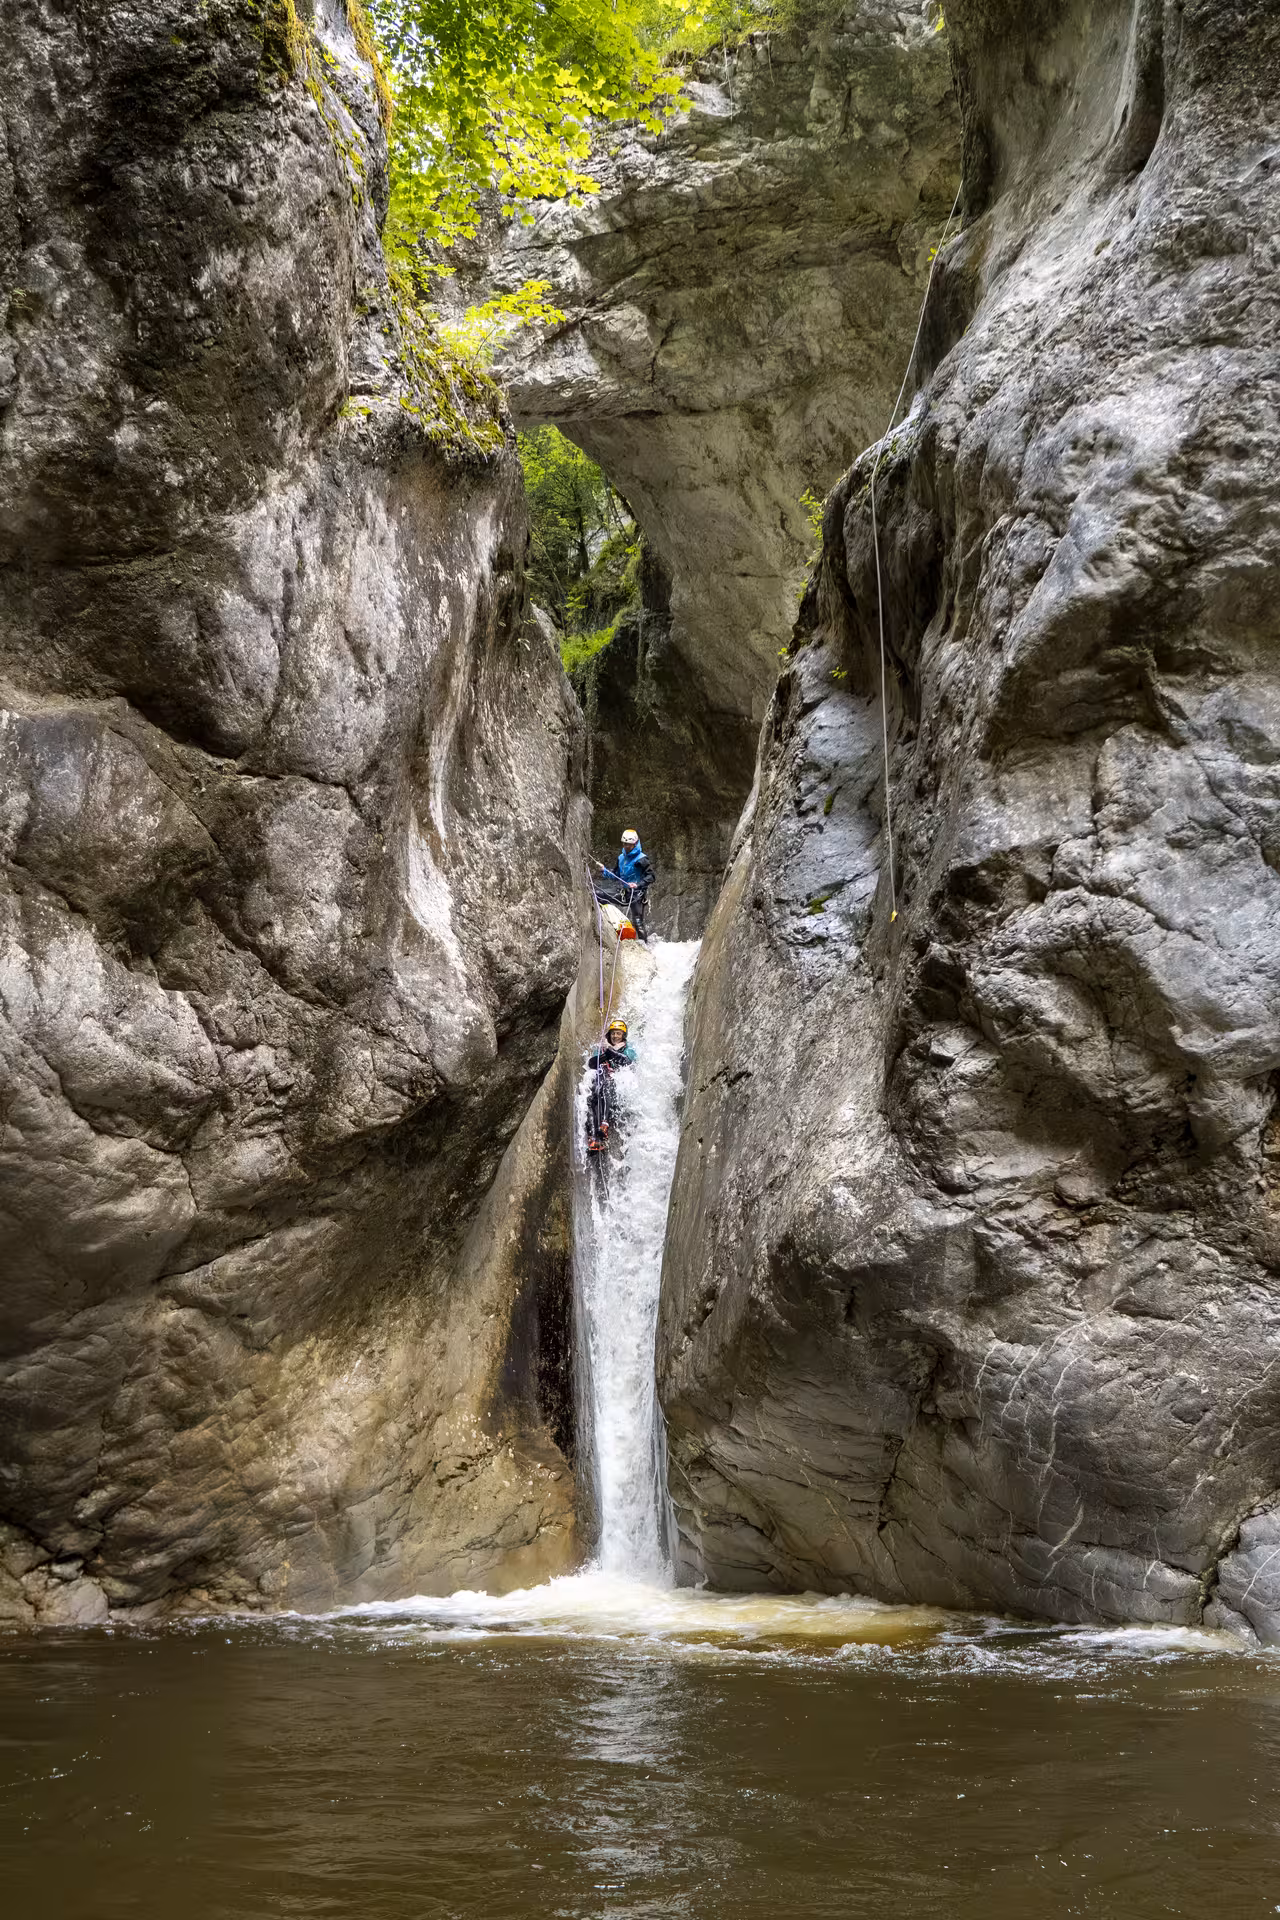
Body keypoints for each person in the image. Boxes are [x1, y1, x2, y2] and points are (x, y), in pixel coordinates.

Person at [585, 1018, 635, 1153]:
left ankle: (605, 1123)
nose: (615, 1036)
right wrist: (604, 1055)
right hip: (602, 1082)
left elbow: (628, 1062)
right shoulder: (602, 1048)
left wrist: (610, 1053)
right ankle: (594, 1136)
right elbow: (591, 1063)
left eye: (618, 1033)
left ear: (623, 1035)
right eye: (613, 1033)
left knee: (607, 1085)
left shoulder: (628, 1049)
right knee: (592, 1096)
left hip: (617, 1085)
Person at [599, 828, 655, 939]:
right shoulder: (621, 858)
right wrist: (604, 871)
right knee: (598, 894)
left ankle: (644, 948)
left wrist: (638, 885)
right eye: (624, 844)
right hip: (624, 893)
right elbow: (616, 875)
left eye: (629, 844)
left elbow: (651, 876)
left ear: (635, 844)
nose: (626, 846)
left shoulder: (642, 859)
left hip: (636, 896)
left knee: (638, 924)